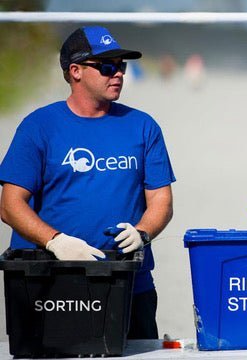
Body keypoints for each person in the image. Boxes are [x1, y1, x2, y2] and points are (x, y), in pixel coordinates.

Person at [0, 26, 175, 339]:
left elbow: (161, 201)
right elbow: (10, 205)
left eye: (120, 65)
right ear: (75, 71)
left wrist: (143, 232)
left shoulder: (143, 126)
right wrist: (55, 241)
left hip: (128, 284)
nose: (118, 73)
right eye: (107, 66)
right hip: (52, 284)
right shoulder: (39, 127)